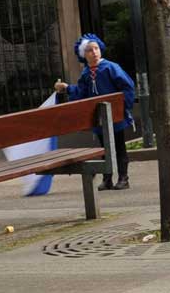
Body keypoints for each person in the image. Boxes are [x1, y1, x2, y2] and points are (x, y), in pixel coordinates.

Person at [54, 34, 136, 189]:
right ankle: (107, 178)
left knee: (119, 147)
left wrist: (123, 107)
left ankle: (123, 178)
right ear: (83, 55)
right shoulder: (86, 73)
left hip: (114, 116)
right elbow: (81, 93)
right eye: (90, 50)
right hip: (99, 118)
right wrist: (67, 88)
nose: (94, 52)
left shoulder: (111, 67)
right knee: (105, 149)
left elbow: (127, 87)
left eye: (96, 48)